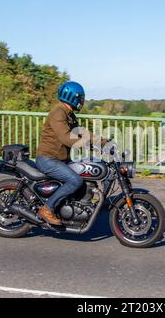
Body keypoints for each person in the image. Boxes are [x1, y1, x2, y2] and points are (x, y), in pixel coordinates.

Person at [35, 81, 106, 225]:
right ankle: (47, 209)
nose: (82, 101)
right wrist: (86, 144)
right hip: (48, 159)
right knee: (75, 180)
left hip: (60, 159)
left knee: (83, 175)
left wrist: (103, 142)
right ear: (72, 96)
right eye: (80, 98)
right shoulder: (58, 112)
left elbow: (82, 133)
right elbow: (66, 137)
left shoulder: (69, 114)